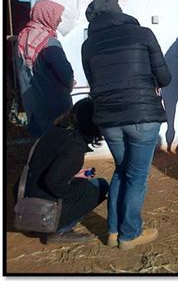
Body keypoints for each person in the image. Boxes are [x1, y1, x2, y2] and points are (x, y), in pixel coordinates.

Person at [81, 0, 171, 250]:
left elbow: (94, 83)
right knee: (137, 176)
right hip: (142, 116)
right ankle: (129, 234)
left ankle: (112, 231)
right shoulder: (143, 34)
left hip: (109, 119)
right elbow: (165, 78)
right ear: (119, 11)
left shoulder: (88, 45)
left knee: (122, 170)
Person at [14, 98, 109, 244]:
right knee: (99, 186)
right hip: (44, 207)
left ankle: (42, 223)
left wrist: (74, 175)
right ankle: (60, 229)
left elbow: (49, 168)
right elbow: (53, 182)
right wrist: (77, 187)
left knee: (84, 183)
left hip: (26, 198)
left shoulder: (57, 131)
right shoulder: (74, 147)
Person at [16, 0, 75, 138]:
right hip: (55, 106)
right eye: (57, 15)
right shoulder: (49, 42)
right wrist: (70, 82)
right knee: (59, 145)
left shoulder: (22, 38)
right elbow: (65, 72)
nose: (60, 20)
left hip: (32, 103)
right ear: (46, 16)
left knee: (41, 145)